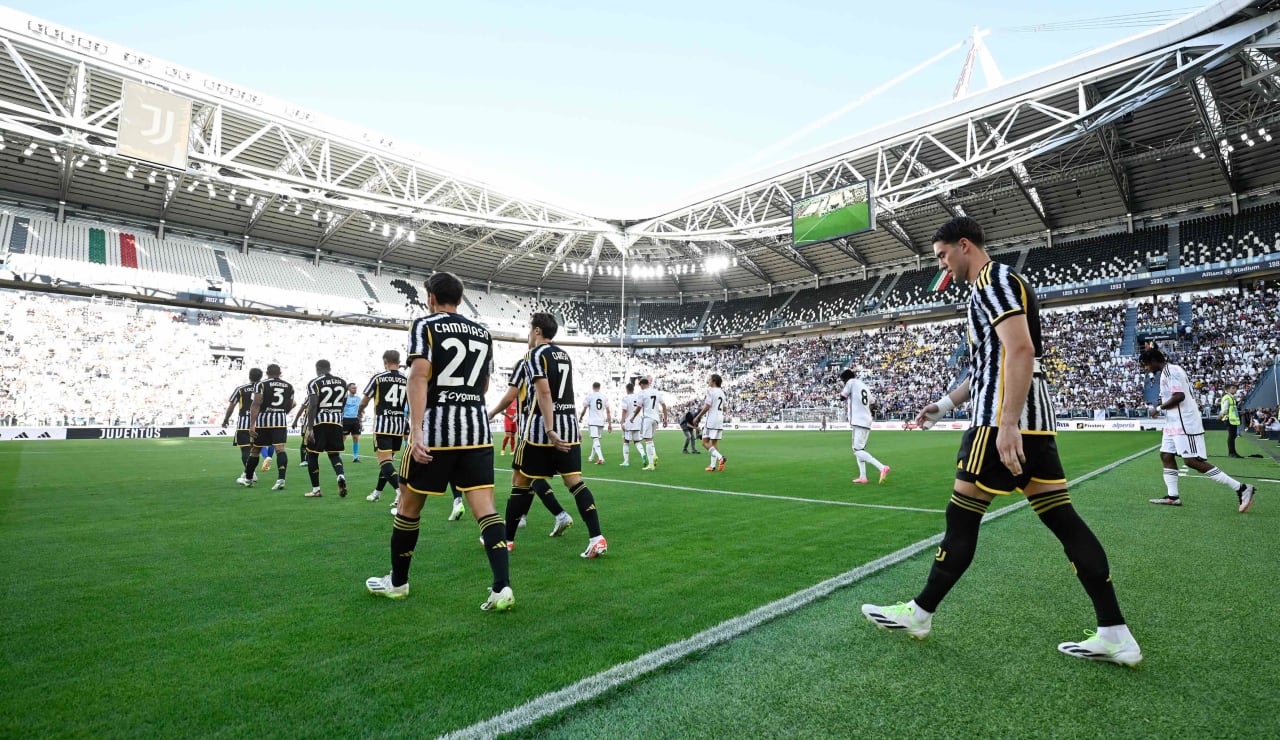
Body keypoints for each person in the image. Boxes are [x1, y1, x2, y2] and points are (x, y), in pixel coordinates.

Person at [862, 216, 1143, 666]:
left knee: (961, 518)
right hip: (1030, 421)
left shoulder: (993, 280)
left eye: (943, 255)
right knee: (1064, 520)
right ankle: (1114, 632)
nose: (943, 266)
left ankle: (919, 613)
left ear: (965, 245)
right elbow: (986, 365)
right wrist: (944, 405)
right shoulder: (995, 285)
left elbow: (1021, 350)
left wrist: (1007, 422)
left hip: (999, 423)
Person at [366, 272, 513, 611]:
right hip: (476, 430)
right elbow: (485, 385)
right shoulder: (482, 332)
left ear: (430, 297)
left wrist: (416, 429)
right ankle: (501, 587)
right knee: (486, 510)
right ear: (460, 300)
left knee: (407, 506)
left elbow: (418, 375)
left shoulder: (425, 325)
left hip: (436, 432)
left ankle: (398, 583)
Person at [490, 312, 606, 558]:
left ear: (538, 330)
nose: (528, 333)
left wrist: (550, 429)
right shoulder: (564, 354)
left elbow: (544, 393)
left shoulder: (533, 355)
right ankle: (597, 537)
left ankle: (506, 540)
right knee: (575, 482)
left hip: (541, 431)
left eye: (529, 328)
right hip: (570, 428)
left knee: (520, 482)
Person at [1141, 348, 1255, 512]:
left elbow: (1179, 396)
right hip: (1173, 422)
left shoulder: (1171, 370)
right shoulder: (1167, 372)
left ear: (1152, 361)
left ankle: (1241, 488)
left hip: (1184, 422)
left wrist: (1158, 408)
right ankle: (1173, 497)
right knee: (1166, 455)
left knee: (1191, 461)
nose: (1146, 368)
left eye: (1146, 365)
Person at [359, 350, 408, 506]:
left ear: (385, 361)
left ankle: (401, 493)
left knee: (385, 462)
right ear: (399, 361)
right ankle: (377, 492)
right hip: (399, 426)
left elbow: (365, 400)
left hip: (383, 425)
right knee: (387, 461)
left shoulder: (379, 378)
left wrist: (360, 412)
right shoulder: (407, 379)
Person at [242, 364, 294, 491]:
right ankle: (281, 479)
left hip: (263, 422)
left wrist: (251, 425)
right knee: (280, 449)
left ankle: (248, 479)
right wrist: (281, 413)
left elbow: (256, 404)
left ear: (267, 373)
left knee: (255, 450)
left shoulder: (261, 384)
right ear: (280, 373)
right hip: (280, 421)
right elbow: (291, 404)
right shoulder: (289, 386)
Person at [303, 360, 349, 498]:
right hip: (336, 422)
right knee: (334, 454)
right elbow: (343, 403)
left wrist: (310, 428)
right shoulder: (342, 382)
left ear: (317, 368)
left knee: (312, 455)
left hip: (319, 423)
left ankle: (316, 489)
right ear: (329, 368)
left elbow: (313, 405)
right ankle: (340, 475)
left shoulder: (314, 383)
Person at [839, 368, 889, 484]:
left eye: (843, 380)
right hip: (866, 420)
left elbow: (842, 397)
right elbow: (873, 404)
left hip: (858, 421)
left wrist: (843, 391)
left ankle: (882, 467)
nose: (843, 382)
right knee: (859, 449)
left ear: (846, 378)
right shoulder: (863, 385)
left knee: (857, 450)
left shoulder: (850, 382)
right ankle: (863, 477)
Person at [223, 367, 262, 481]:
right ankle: (249, 473)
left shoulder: (241, 389)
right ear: (261, 377)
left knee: (246, 450)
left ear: (249, 376)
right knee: (255, 451)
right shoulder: (264, 389)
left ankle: (250, 474)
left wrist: (226, 419)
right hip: (259, 424)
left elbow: (232, 406)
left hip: (244, 424)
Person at [630, 377, 668, 471]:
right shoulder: (656, 392)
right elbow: (663, 405)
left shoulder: (642, 393)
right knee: (650, 439)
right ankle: (654, 455)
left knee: (648, 441)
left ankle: (651, 464)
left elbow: (639, 407)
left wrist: (633, 417)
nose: (640, 387)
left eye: (640, 385)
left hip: (647, 418)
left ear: (642, 384)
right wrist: (665, 419)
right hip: (656, 419)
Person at [692, 373, 728, 472]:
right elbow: (725, 408)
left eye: (710, 379)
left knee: (704, 442)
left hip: (711, 420)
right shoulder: (722, 392)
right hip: (720, 420)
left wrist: (698, 417)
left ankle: (721, 458)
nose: (708, 381)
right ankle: (712, 466)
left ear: (714, 381)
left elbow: (707, 406)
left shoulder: (711, 391)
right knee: (714, 443)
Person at [578, 381, 612, 465]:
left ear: (593, 387)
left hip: (593, 421)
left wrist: (581, 417)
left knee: (595, 439)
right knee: (596, 439)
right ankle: (591, 457)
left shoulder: (590, 396)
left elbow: (585, 408)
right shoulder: (604, 397)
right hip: (601, 421)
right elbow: (608, 411)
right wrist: (610, 424)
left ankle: (601, 458)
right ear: (599, 387)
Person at [619, 382, 645, 467]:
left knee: (626, 441)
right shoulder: (638, 397)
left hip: (629, 421)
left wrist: (622, 422)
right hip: (637, 421)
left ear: (627, 389)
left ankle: (626, 461)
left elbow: (624, 410)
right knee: (637, 441)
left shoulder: (625, 398)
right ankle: (643, 454)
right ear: (633, 389)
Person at [342, 382, 363, 463]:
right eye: (353, 388)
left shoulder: (358, 398)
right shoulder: (345, 399)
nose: (355, 389)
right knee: (343, 438)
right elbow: (341, 410)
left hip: (355, 420)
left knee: (356, 438)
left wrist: (360, 421)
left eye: (355, 387)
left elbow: (360, 411)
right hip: (346, 419)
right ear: (349, 389)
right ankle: (339, 456)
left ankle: (355, 457)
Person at [1220, 384, 1243, 458]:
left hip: (1232, 419)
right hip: (1229, 419)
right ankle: (1232, 453)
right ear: (1227, 390)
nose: (1235, 389)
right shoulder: (1227, 397)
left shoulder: (1231, 397)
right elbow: (1225, 409)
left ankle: (1233, 452)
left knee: (1233, 435)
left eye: (1235, 388)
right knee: (1231, 436)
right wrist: (1222, 415)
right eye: (1233, 388)